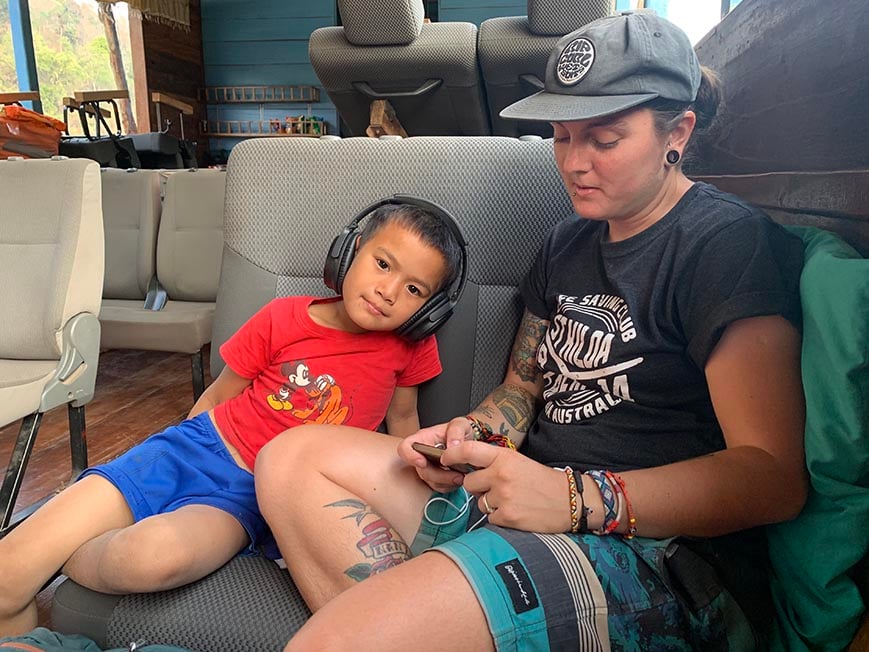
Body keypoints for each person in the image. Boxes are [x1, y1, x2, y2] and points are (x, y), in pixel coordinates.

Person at [254, 11, 807, 652]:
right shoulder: (566, 243)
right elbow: (522, 390)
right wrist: (469, 435)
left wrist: (574, 499)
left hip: (655, 556)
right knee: (288, 457)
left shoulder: (725, 245)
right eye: (561, 135)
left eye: (604, 140)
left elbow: (772, 477)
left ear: (676, 132)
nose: (574, 163)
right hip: (523, 503)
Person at [0, 200, 464, 637]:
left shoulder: (411, 348)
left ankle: (61, 559)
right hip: (193, 448)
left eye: (413, 289)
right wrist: (169, 456)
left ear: (427, 311)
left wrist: (427, 479)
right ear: (349, 252)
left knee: (151, 558)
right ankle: (48, 553)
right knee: (7, 576)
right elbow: (220, 394)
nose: (388, 291)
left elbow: (402, 425)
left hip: (254, 497)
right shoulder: (283, 317)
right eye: (383, 264)